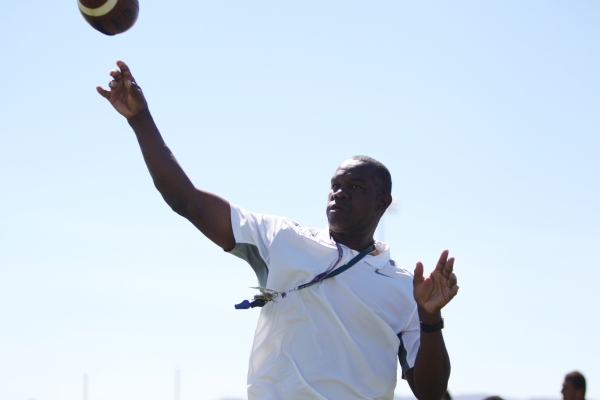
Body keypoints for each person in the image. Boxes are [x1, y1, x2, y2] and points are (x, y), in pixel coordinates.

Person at [96, 60, 460, 400]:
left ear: (383, 203)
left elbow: (429, 392)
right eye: (335, 185)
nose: (339, 194)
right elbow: (187, 201)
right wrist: (140, 119)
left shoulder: (405, 288)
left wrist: (430, 318)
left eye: (356, 188)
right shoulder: (282, 239)